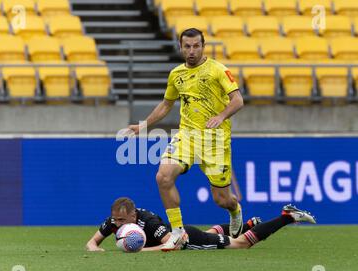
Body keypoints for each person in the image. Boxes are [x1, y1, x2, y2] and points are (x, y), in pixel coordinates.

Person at [126, 28, 246, 251]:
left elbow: (238, 100)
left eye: (196, 46)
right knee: (163, 177)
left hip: (215, 141)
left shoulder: (218, 70)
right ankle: (178, 232)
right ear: (180, 47)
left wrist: (221, 116)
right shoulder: (176, 75)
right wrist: (143, 125)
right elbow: (166, 105)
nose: (191, 51)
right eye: (187, 46)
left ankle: (234, 210)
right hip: (187, 137)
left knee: (222, 199)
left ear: (203, 46)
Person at [86, 197, 316, 252]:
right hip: (186, 233)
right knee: (213, 233)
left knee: (240, 244)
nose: (118, 224)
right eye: (116, 220)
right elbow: (92, 242)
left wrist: (139, 251)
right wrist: (96, 249)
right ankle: (248, 224)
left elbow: (172, 246)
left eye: (122, 220)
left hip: (188, 240)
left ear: (134, 215)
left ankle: (287, 216)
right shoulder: (115, 223)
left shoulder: (149, 221)